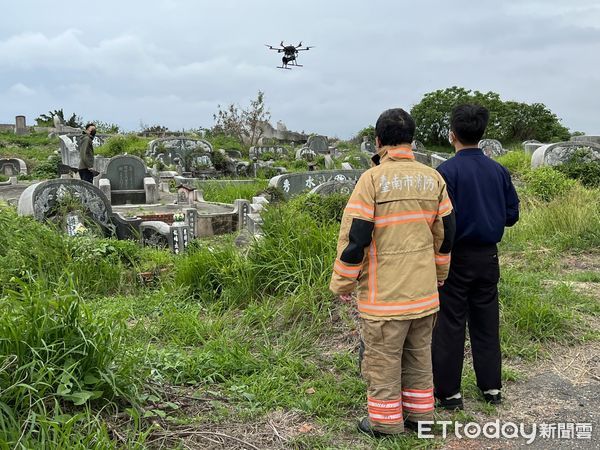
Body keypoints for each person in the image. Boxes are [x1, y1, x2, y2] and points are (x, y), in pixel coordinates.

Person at [330, 108, 455, 436]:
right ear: (410, 140)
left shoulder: (371, 181)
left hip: (383, 299)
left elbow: (356, 236)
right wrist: (440, 275)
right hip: (424, 294)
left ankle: (385, 423)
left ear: (378, 141)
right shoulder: (433, 178)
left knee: (382, 360)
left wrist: (343, 281)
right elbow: (446, 235)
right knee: (418, 357)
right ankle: (421, 417)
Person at [432, 104, 520, 410]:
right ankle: (492, 388)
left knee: (450, 323)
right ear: (481, 135)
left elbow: (442, 220)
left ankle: (449, 394)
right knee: (486, 322)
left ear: (452, 135)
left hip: (455, 257)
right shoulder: (498, 171)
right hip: (488, 256)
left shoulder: (446, 172)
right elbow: (511, 215)